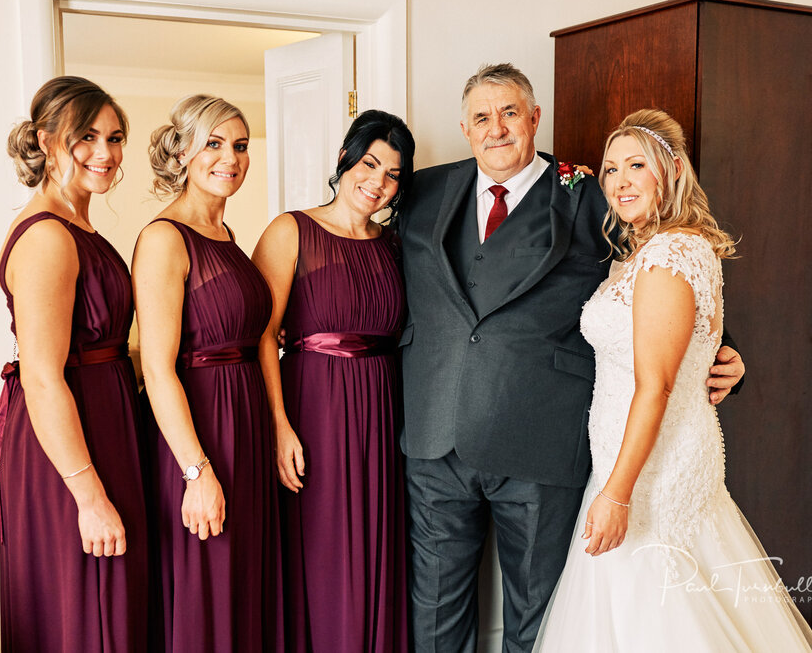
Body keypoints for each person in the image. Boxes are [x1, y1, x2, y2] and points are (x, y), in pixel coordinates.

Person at [396, 64, 747, 652]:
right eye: (482, 117)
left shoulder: (590, 194)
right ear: (464, 126)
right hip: (435, 438)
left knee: (541, 616)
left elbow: (662, 272)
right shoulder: (423, 192)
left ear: (535, 118)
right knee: (432, 614)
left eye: (511, 113)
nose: (497, 128)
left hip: (543, 440)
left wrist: (725, 349)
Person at [533, 109, 812, 651]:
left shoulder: (668, 252)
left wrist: (617, 495)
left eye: (635, 165)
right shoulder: (645, 251)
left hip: (651, 469)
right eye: (611, 168)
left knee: (658, 609)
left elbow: (657, 385)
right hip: (630, 454)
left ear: (668, 171)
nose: (619, 181)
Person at [0, 76, 148, 651]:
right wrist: (88, 496)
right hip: (67, 444)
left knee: (116, 601)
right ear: (46, 140)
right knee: (84, 609)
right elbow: (40, 375)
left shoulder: (80, 225)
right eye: (86, 137)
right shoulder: (48, 237)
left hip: (104, 421)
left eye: (114, 137)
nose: (105, 154)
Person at [252, 109, 414, 651]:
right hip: (314, 412)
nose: (378, 182)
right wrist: (278, 427)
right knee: (321, 550)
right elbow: (261, 336)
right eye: (370, 164)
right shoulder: (290, 230)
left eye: (393, 174)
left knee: (378, 547)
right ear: (344, 158)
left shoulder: (395, 246)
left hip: (384, 414)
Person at [132, 94, 283, 651]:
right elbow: (156, 365)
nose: (232, 158)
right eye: (215, 144)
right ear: (184, 152)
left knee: (243, 582)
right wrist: (196, 472)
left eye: (241, 146)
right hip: (199, 433)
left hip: (244, 424)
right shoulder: (164, 238)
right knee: (206, 584)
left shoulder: (229, 238)